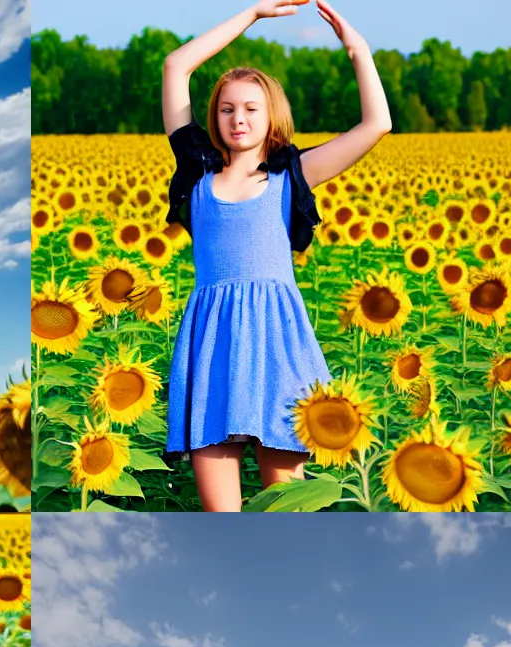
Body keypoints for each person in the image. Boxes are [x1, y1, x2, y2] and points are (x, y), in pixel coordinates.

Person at [161, 0, 392, 511]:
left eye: (250, 109)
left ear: (272, 118)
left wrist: (358, 50)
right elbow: (177, 65)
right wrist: (251, 15)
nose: (237, 119)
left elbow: (377, 125)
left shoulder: (294, 175)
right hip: (212, 343)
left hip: (277, 342)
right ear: (213, 117)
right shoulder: (196, 174)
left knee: (287, 506)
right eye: (226, 108)